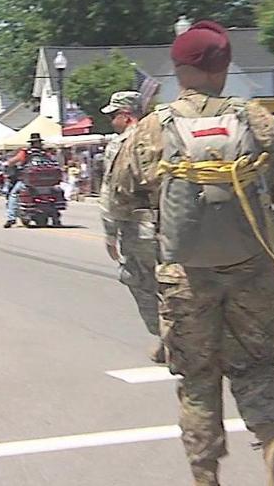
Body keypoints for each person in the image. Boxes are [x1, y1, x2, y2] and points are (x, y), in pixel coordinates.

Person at [114, 20, 274, 485]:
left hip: (185, 276)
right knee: (258, 364)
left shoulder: (151, 129)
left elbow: (121, 198)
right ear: (222, 67)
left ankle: (206, 475)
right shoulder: (258, 120)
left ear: (178, 70)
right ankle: (273, 441)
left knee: (199, 380)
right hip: (252, 269)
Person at [99, 90, 165, 363]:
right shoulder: (165, 136)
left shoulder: (122, 143)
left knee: (137, 280)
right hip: (173, 225)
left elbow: (112, 190)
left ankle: (167, 337)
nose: (111, 121)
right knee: (175, 285)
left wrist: (109, 232)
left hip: (139, 228)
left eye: (114, 115)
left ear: (126, 116)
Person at [2, 133, 51, 228]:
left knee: (14, 194)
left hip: (29, 181)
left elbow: (11, 162)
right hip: (46, 182)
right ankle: (54, 217)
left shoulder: (25, 152)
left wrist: (7, 164)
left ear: (31, 143)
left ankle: (11, 218)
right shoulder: (45, 153)